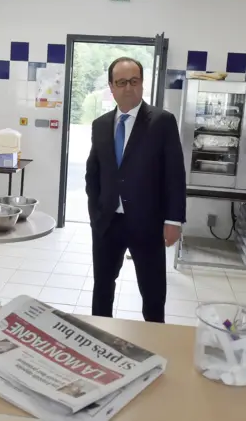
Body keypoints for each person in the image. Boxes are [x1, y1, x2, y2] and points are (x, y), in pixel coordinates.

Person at [85, 57, 186, 323]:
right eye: (121, 82)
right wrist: (95, 214)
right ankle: (100, 336)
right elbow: (93, 174)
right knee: (102, 288)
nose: (128, 88)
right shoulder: (100, 125)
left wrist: (173, 220)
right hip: (108, 222)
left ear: (142, 84)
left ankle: (155, 341)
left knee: (153, 294)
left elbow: (174, 175)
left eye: (134, 81)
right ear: (112, 87)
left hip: (147, 223)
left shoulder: (162, 122)